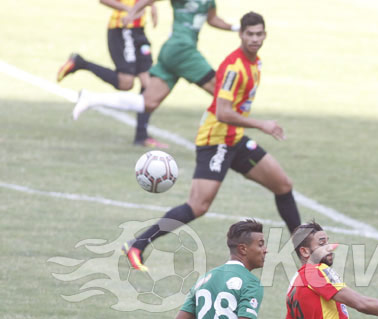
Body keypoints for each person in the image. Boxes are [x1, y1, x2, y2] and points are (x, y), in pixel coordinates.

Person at [122, 11, 301, 272]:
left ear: (265, 35)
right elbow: (223, 112)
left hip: (235, 138)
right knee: (198, 206)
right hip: (215, 140)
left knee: (283, 185)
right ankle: (137, 244)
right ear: (240, 35)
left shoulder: (256, 63)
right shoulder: (233, 67)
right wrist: (262, 124)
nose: (254, 39)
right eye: (249, 34)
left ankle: (306, 254)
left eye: (259, 34)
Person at [71, 0, 239, 121]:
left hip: (173, 52)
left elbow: (212, 19)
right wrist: (132, 12)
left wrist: (237, 28)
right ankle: (217, 140)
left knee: (148, 102)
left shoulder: (210, 2)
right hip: (182, 49)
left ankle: (90, 98)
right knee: (225, 93)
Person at [57, 0, 167, 148]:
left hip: (139, 31)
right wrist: (129, 9)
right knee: (126, 82)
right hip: (122, 28)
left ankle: (141, 136)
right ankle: (80, 63)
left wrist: (151, 5)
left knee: (148, 84)